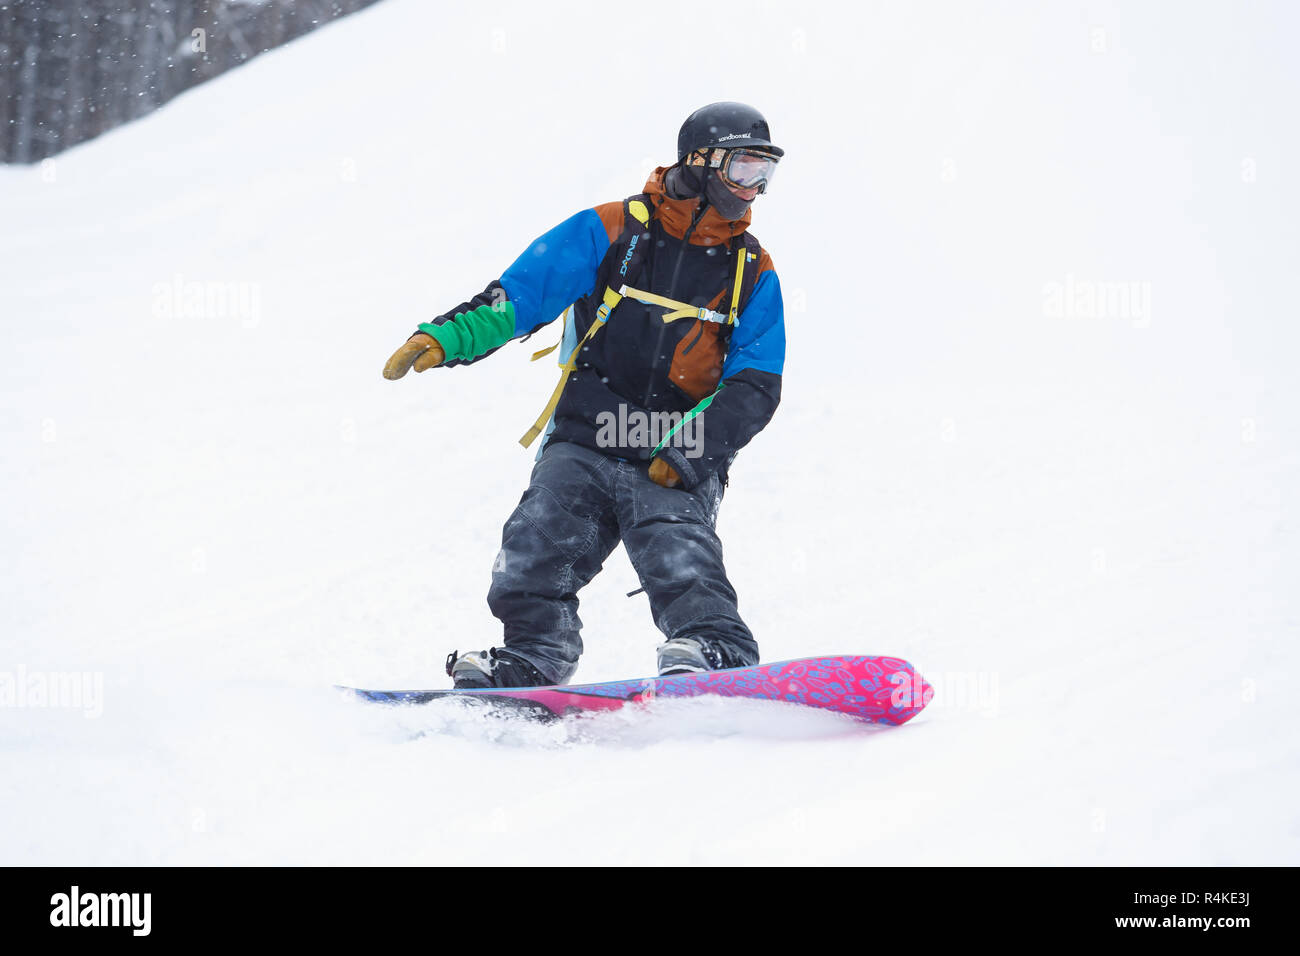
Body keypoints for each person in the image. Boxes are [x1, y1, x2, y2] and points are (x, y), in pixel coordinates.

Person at [382, 102, 786, 688]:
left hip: (671, 448)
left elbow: (756, 383)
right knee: (534, 546)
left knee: (675, 546)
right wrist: (447, 337)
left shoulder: (752, 268)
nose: (754, 189)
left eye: (764, 175)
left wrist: (690, 452)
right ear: (699, 162)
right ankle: (535, 654)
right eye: (744, 170)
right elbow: (521, 295)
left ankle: (714, 645)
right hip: (587, 435)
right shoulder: (611, 229)